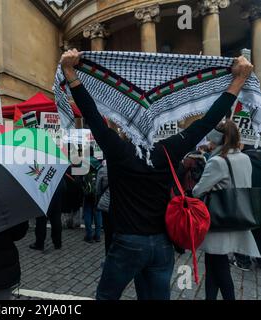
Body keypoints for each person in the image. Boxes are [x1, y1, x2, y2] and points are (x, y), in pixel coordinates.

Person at [60, 49, 253, 300]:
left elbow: (93, 116)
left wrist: (70, 72)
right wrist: (238, 81)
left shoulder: (118, 150)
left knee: (106, 297)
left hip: (127, 243)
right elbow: (206, 123)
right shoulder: (168, 150)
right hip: (161, 243)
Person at [193, 122, 260, 300]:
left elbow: (197, 191)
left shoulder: (217, 161)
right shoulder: (245, 157)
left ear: (217, 140)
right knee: (214, 266)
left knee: (219, 268)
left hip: (218, 222)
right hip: (237, 216)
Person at [29, 178, 65, 251]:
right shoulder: (57, 170)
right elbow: (64, 186)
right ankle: (57, 243)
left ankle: (39, 243)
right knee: (56, 221)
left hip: (45, 200)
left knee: (41, 221)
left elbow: (41, 188)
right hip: (56, 198)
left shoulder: (43, 170)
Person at [82, 165, 102, 243]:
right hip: (97, 197)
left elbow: (81, 185)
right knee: (98, 215)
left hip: (88, 197)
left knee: (87, 214)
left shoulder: (85, 173)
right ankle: (97, 236)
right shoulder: (99, 173)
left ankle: (89, 236)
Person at [96, 160, 111, 255]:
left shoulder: (102, 170)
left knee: (108, 233)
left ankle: (108, 256)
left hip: (106, 204)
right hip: (121, 206)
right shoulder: (124, 167)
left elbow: (97, 189)